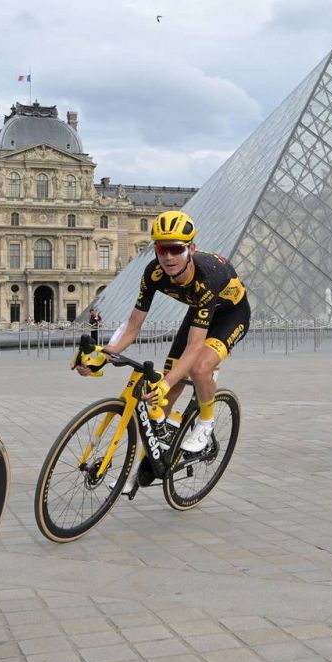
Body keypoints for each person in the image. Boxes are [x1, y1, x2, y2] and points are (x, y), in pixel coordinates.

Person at [75, 210, 250, 493]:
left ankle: (205, 424)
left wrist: (166, 382)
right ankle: (143, 468)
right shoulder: (153, 273)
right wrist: (101, 357)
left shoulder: (207, 278)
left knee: (198, 367)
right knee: (164, 397)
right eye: (161, 248)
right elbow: (132, 326)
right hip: (198, 314)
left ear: (191, 249)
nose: (168, 256)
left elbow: (195, 347)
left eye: (176, 249)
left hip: (231, 315)